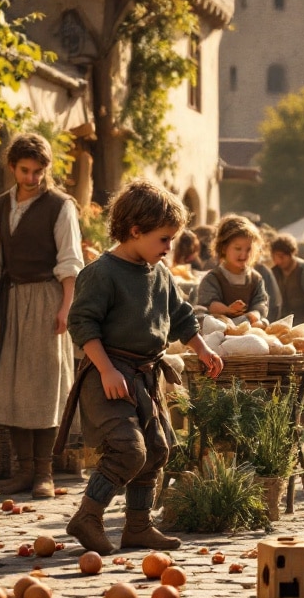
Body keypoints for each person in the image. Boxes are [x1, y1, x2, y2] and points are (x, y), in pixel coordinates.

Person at [63, 180, 223, 554]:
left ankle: (137, 526)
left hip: (144, 378)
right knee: (129, 450)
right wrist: (106, 370)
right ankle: (87, 517)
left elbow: (181, 316)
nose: (169, 248)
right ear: (135, 231)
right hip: (108, 376)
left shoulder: (160, 273)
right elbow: (82, 324)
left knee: (156, 449)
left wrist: (202, 349)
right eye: (164, 239)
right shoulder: (102, 273)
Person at [0, 133, 83, 499]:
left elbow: (70, 261)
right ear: (12, 167)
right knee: (12, 385)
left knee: (45, 385)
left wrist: (65, 307)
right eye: (25, 170)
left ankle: (44, 473)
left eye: (38, 171)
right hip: (10, 300)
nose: (32, 178)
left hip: (46, 299)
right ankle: (23, 470)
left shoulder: (60, 205)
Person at [195, 215, 270, 325]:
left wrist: (255, 314)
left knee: (264, 323)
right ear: (223, 248)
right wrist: (227, 310)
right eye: (238, 248)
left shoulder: (255, 279)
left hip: (248, 327)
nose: (244, 254)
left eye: (248, 249)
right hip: (220, 327)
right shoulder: (213, 278)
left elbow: (260, 302)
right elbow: (209, 303)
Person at [269, 233, 304, 325]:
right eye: (275, 257)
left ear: (291, 254)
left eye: (281, 256)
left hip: (302, 320)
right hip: (282, 320)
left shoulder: (303, 270)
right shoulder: (275, 271)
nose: (278, 261)